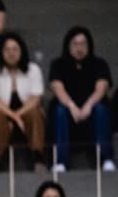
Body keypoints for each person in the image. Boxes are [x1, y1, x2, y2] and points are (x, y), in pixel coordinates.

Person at [48, 26, 114, 172]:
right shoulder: (58, 64)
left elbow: (101, 88)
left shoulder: (99, 64)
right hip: (68, 114)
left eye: (83, 44)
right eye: (75, 44)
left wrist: (88, 106)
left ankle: (106, 159)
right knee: (59, 110)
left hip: (91, 113)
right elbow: (58, 88)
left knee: (101, 109)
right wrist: (72, 107)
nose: (79, 48)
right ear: (68, 46)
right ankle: (60, 162)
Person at [0, 32, 47, 173]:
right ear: (1, 52)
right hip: (3, 112)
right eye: (7, 49)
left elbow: (35, 99)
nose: (11, 53)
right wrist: (14, 117)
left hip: (27, 114)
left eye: (15, 49)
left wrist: (17, 116)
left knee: (34, 112)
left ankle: (38, 156)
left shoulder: (33, 69)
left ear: (21, 51)